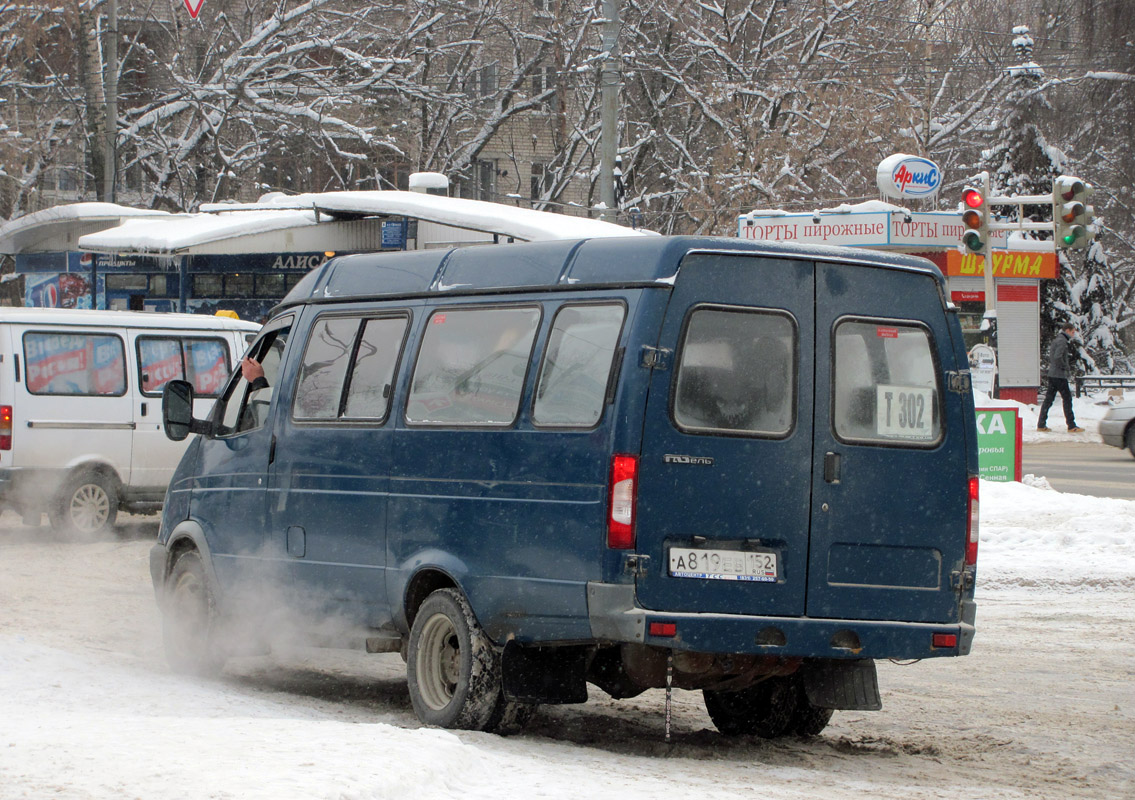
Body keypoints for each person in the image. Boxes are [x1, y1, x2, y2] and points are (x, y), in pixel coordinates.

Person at [1037, 323, 1085, 433]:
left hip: (1053, 374)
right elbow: (1057, 357)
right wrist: (1065, 367)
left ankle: (1041, 424)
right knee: (1067, 399)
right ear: (1067, 330)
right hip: (1059, 375)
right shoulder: (1062, 341)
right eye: (1072, 332)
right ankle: (1071, 425)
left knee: (1048, 400)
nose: (1073, 334)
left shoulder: (1057, 339)